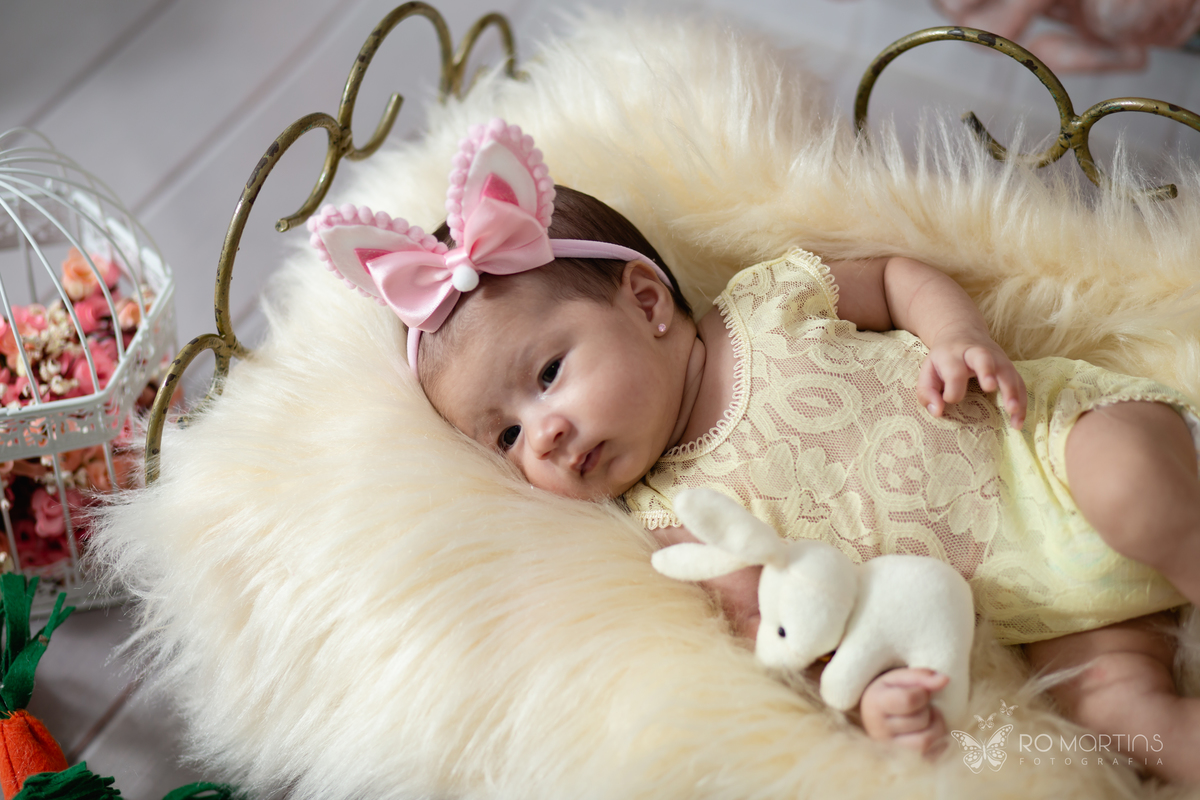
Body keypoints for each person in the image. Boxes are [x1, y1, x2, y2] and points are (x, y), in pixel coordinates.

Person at [308, 119, 1200, 778]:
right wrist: (867, 694)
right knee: (1120, 723)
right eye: (505, 435)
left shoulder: (768, 302)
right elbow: (784, 626)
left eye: (548, 374)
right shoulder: (671, 521)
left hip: (1047, 452)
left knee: (1133, 492)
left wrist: (955, 336)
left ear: (647, 301)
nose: (543, 433)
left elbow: (896, 277)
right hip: (1047, 610)